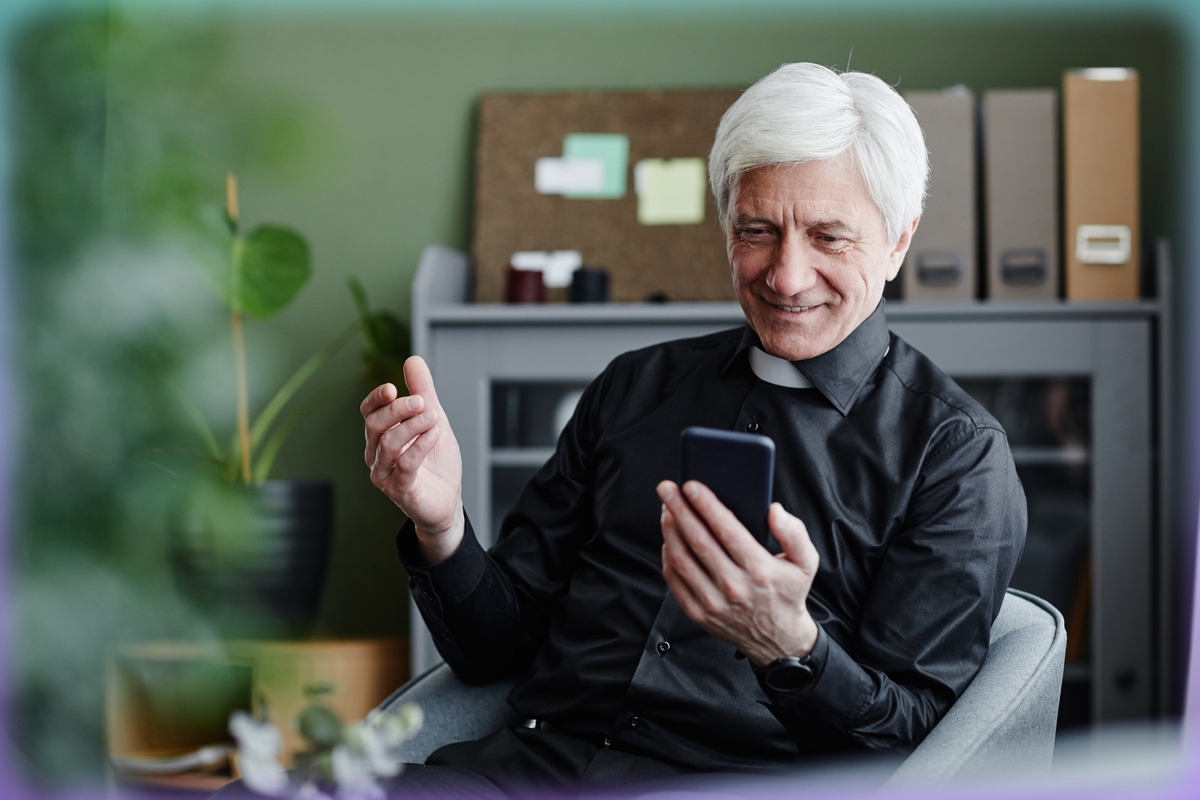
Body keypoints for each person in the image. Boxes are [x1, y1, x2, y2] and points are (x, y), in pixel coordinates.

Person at [357, 62, 1026, 798]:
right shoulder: (633, 388)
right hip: (525, 776)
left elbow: (915, 748)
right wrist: (441, 524)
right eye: (757, 231)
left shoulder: (955, 456)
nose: (787, 276)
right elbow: (496, 650)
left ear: (899, 242)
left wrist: (789, 647)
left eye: (830, 238)